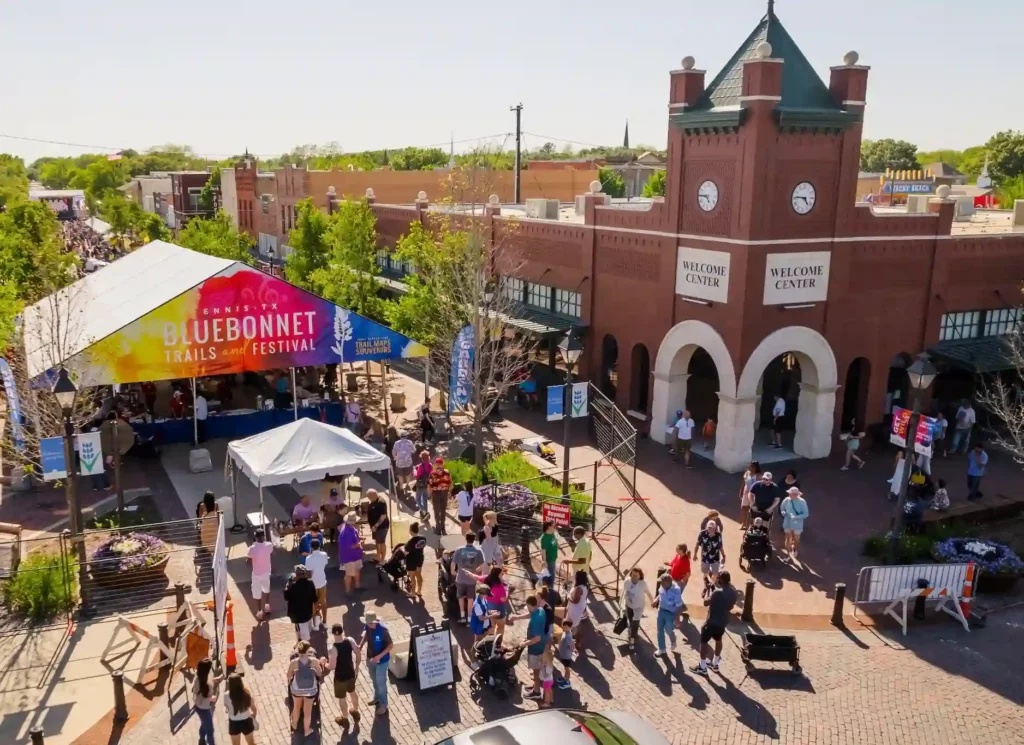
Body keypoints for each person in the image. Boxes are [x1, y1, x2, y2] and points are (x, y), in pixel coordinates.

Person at [691, 571, 738, 676]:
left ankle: (702, 667)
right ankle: (715, 664)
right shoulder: (734, 592)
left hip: (711, 621)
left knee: (703, 642)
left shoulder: (717, 592)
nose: (717, 580)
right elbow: (730, 606)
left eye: (718, 578)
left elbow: (705, 602)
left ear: (721, 579)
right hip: (723, 621)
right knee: (718, 639)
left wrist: (707, 590)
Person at [326, 623, 361, 728]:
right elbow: (358, 652)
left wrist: (324, 664)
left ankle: (345, 719)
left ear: (332, 633)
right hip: (350, 673)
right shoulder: (350, 640)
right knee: (352, 692)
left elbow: (332, 666)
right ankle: (355, 711)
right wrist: (357, 666)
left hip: (340, 677)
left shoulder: (333, 649)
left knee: (342, 698)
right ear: (342, 631)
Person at [359, 612, 393, 717]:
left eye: (371, 623)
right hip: (370, 659)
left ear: (375, 621)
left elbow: (390, 645)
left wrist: (379, 657)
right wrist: (361, 644)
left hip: (382, 661)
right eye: (368, 623)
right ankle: (377, 697)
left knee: (381, 683)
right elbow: (366, 634)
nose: (369, 625)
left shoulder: (383, 630)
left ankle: (383, 704)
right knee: (374, 680)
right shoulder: (368, 626)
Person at [515, 595, 548, 700]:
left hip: (536, 648)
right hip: (541, 645)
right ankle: (535, 686)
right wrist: (517, 617)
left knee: (536, 670)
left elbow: (537, 639)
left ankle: (536, 692)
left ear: (529, 605)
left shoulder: (536, 619)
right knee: (536, 669)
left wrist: (524, 644)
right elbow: (531, 614)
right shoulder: (540, 610)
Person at [288, 640, 323, 737]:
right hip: (310, 690)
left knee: (296, 708)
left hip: (297, 690)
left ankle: (294, 725)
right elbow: (319, 674)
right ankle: (306, 730)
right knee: (307, 712)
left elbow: (289, 676)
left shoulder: (294, 662)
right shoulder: (314, 661)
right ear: (308, 650)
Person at [451, 532, 485, 625]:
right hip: (471, 580)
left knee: (461, 597)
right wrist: (475, 571)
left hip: (460, 578)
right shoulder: (478, 551)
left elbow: (453, 563)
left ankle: (462, 616)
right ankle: (469, 618)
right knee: (470, 599)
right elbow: (483, 565)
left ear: (466, 539)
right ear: (474, 540)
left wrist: (453, 571)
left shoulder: (459, 549)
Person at [622, 567, 653, 652]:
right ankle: (632, 632)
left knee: (635, 622)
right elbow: (624, 593)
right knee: (631, 621)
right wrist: (623, 606)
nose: (634, 577)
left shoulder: (643, 584)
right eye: (633, 575)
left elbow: (648, 593)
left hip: (639, 606)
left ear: (640, 576)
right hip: (629, 605)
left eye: (636, 575)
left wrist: (652, 601)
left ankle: (632, 640)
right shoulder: (627, 582)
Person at [652, 572, 683, 657]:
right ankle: (662, 649)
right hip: (661, 610)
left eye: (662, 582)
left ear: (668, 582)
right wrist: (656, 600)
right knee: (660, 630)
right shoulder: (662, 586)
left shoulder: (676, 590)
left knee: (668, 630)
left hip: (671, 613)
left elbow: (679, 606)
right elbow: (660, 594)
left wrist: (677, 618)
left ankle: (673, 639)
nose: (660, 584)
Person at [284, 565, 317, 642]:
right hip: (308, 614)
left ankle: (302, 646)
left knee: (303, 638)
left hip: (298, 617)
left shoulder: (292, 586)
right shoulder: (310, 583)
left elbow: (286, 597)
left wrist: (288, 584)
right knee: (307, 633)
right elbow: (315, 599)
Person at [193, 657, 222, 745]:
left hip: (198, 706)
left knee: (204, 723)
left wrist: (212, 680)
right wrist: (214, 696)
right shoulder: (208, 686)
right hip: (205, 709)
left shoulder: (197, 679)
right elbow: (209, 699)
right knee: (210, 730)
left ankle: (202, 740)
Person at [224, 672, 258, 745]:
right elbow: (253, 707)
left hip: (234, 723)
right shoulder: (246, 693)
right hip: (246, 721)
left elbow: (226, 705)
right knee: (251, 743)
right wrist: (254, 715)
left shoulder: (226, 695)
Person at [247, 529, 273, 622]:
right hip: (266, 572)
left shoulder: (252, 548)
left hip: (257, 574)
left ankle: (260, 612)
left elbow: (249, 559)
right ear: (263, 536)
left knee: (257, 593)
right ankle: (267, 606)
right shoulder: (269, 545)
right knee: (267, 589)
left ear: (256, 537)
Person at [305, 539, 330, 629]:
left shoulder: (308, 558)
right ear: (319, 547)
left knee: (313, 604)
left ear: (311, 547)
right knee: (323, 602)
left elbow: (308, 574)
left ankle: (316, 623)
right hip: (322, 582)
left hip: (313, 584)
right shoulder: (324, 555)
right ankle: (325, 622)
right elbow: (324, 564)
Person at [561, 571, 589, 651]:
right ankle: (577, 641)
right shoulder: (585, 586)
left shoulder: (579, 588)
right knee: (576, 625)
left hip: (575, 609)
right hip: (580, 607)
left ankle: (574, 641)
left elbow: (575, 601)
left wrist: (568, 597)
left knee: (572, 624)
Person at [779, 487, 809, 559]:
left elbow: (806, 514)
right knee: (787, 538)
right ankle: (788, 553)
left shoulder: (802, 502)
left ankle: (795, 549)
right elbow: (782, 508)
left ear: (796, 494)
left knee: (796, 539)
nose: (789, 494)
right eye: (789, 493)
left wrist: (796, 517)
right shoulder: (786, 500)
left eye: (791, 493)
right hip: (787, 522)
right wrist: (783, 513)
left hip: (797, 524)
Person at [338, 511, 364, 594]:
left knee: (357, 571)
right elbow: (350, 546)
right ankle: (348, 590)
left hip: (355, 556)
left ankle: (357, 586)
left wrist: (359, 539)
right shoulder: (346, 532)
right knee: (349, 574)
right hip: (349, 557)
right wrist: (360, 544)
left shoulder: (351, 528)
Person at [428, 457, 453, 535]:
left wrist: (429, 494)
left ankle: (438, 528)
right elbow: (450, 483)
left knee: (436, 510)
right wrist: (449, 492)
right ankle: (443, 527)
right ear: (442, 463)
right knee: (443, 510)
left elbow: (430, 485)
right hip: (444, 493)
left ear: (436, 464)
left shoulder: (432, 473)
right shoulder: (447, 472)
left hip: (436, 494)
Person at [665, 544, 691, 617]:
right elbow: (673, 563)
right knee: (675, 595)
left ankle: (677, 610)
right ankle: (682, 607)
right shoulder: (678, 556)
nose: (676, 550)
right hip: (674, 579)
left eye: (677, 549)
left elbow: (688, 573)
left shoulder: (686, 561)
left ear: (681, 550)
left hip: (680, 581)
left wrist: (682, 581)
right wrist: (669, 564)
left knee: (675, 595)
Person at [404, 521, 427, 598]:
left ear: (411, 531)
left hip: (411, 561)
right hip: (420, 559)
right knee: (419, 575)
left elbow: (406, 552)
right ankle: (419, 591)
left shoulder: (410, 542)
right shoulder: (423, 538)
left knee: (412, 577)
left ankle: (413, 593)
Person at [366, 489, 390, 563]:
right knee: (377, 541)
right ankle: (378, 556)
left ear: (373, 495)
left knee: (381, 542)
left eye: (369, 496)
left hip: (382, 526)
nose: (368, 498)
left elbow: (383, 516)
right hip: (374, 527)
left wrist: (376, 526)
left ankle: (382, 559)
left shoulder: (381, 502)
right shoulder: (373, 501)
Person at [392, 432, 416, 496]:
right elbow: (414, 451)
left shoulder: (397, 443)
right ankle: (407, 485)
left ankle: (401, 487)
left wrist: (395, 458)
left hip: (399, 463)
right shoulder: (410, 442)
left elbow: (394, 451)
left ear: (400, 437)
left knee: (400, 476)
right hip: (408, 462)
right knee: (408, 474)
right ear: (406, 436)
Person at [739, 461, 761, 530]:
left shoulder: (759, 476)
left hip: (753, 494)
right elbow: (744, 483)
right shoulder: (747, 473)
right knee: (743, 508)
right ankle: (743, 523)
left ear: (756, 468)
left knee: (752, 510)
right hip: (746, 492)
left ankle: (751, 525)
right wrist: (741, 491)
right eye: (750, 466)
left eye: (753, 467)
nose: (751, 468)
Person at [412, 451, 433, 520]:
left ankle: (424, 512)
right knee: (424, 499)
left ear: (422, 458)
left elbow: (417, 476)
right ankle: (425, 514)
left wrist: (414, 471)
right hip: (426, 484)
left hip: (420, 484)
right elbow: (430, 474)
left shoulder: (421, 466)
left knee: (417, 499)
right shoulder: (430, 465)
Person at [539, 642, 556, 708]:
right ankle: (551, 699)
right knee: (549, 689)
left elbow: (542, 664)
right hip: (550, 677)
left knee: (546, 690)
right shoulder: (549, 654)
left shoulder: (544, 655)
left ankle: (547, 702)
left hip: (546, 678)